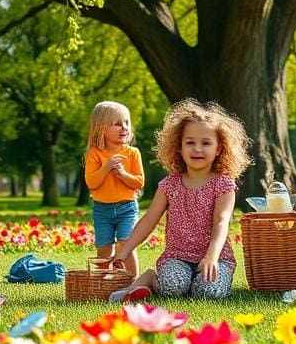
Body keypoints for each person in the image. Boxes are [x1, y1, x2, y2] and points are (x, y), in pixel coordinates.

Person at [108, 99, 252, 302]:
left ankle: (199, 281)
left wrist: (211, 256)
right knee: (171, 288)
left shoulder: (224, 184)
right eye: (190, 142)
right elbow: (149, 220)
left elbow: (221, 222)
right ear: (179, 147)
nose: (197, 149)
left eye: (206, 143)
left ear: (219, 148)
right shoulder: (170, 184)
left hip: (216, 257)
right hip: (177, 257)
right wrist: (125, 250)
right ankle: (149, 278)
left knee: (209, 293)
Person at [84, 101, 145, 275]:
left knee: (125, 244)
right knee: (104, 249)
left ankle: (133, 282)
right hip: (102, 210)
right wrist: (107, 167)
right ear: (101, 128)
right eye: (117, 124)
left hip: (127, 208)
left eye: (126, 122)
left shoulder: (133, 153)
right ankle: (103, 283)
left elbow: (139, 182)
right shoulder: (95, 153)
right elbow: (92, 183)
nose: (124, 127)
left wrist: (124, 175)